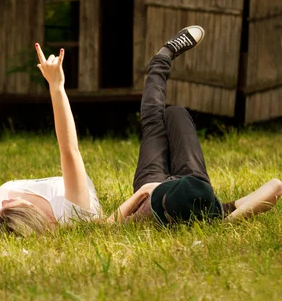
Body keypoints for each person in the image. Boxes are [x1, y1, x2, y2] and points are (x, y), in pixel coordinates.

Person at [108, 26, 282, 224]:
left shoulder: (147, 214)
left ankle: (163, 57)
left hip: (151, 185)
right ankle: (164, 59)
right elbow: (276, 186)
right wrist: (228, 221)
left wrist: (146, 191)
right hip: (193, 185)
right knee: (176, 113)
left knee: (155, 120)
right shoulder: (207, 209)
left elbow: (109, 224)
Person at [0, 44, 102, 236]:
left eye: (0, 210)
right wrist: (56, 86)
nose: (2, 204)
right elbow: (69, 151)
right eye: (8, 207)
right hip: (72, 192)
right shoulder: (76, 214)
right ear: (30, 215)